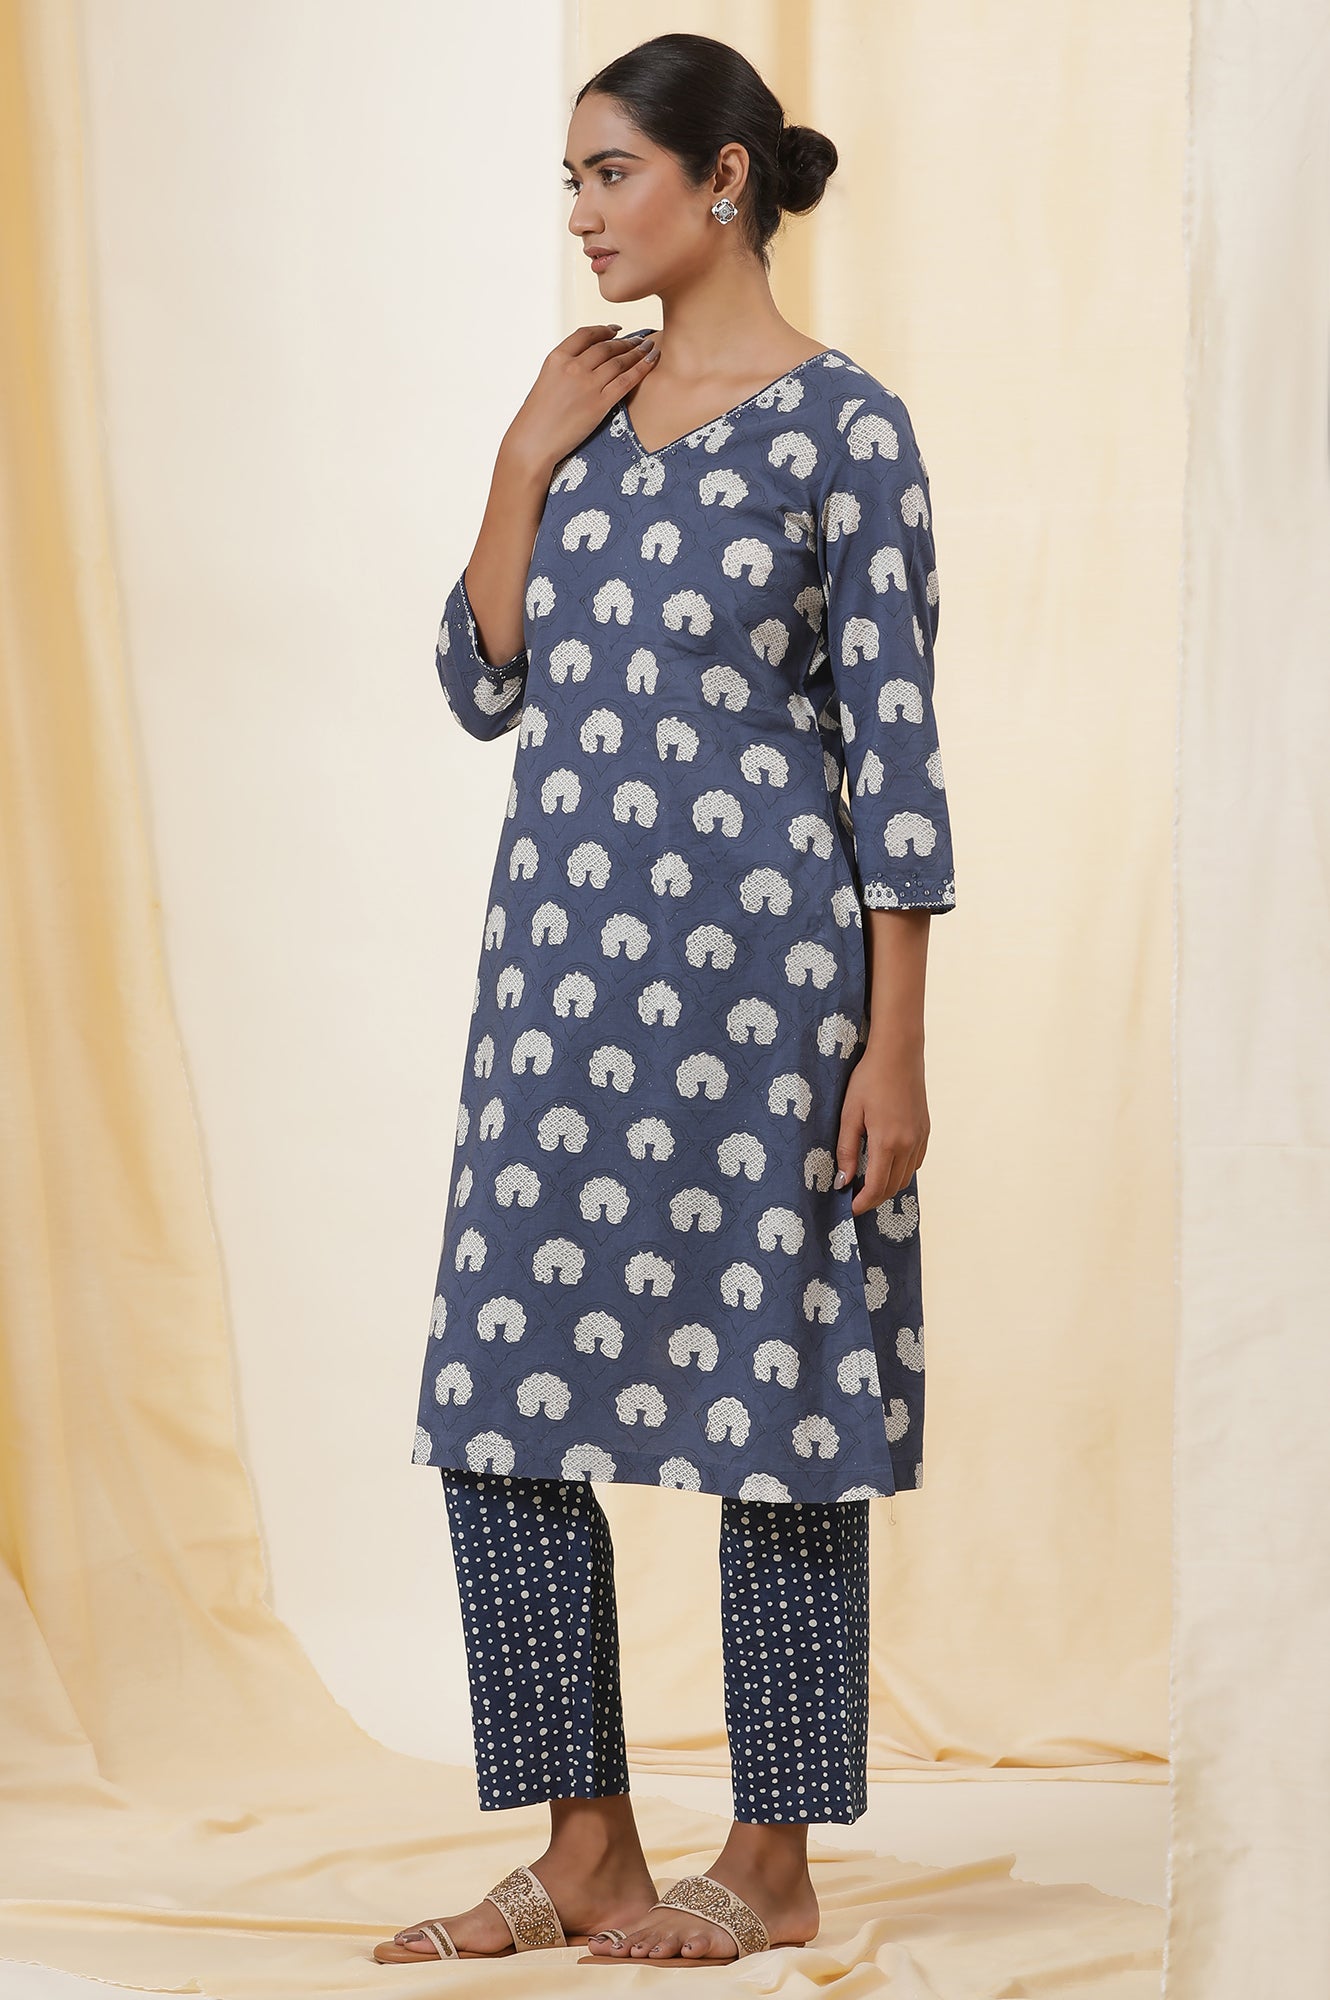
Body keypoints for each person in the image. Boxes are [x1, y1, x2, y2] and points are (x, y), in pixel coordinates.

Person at [376, 28, 957, 1970]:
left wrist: (894, 1043)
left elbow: (894, 759)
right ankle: (586, 1849)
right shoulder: (584, 413)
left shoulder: (844, 431)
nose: (580, 212)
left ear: (723, 180)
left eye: (609, 171)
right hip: (555, 1000)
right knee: (495, 1403)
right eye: (569, 178)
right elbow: (480, 681)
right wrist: (516, 461)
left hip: (770, 1008)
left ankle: (770, 1860)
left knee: (775, 1411)